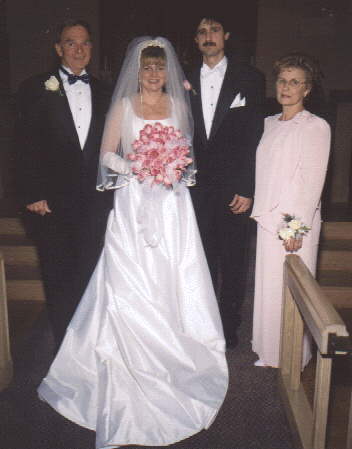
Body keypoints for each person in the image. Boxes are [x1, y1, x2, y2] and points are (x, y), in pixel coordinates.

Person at [37, 37, 228, 448]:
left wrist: (172, 164)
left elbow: (188, 155)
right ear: (136, 72)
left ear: (169, 73)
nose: (155, 75)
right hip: (134, 199)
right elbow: (106, 155)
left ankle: (174, 356)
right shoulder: (123, 107)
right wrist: (137, 165)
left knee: (173, 275)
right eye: (147, 68)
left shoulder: (178, 107)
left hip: (171, 205)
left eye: (160, 68)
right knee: (128, 279)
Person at [15, 19, 113, 350]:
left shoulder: (105, 91)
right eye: (71, 43)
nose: (79, 49)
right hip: (51, 205)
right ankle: (63, 353)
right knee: (58, 281)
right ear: (58, 48)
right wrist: (33, 193)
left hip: (94, 205)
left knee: (89, 279)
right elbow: (22, 145)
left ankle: (87, 350)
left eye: (85, 43)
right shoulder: (34, 87)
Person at [188, 14, 265, 348]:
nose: (209, 36)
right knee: (200, 258)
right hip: (193, 188)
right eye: (202, 31)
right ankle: (202, 324)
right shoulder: (183, 78)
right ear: (195, 40)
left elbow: (254, 136)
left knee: (234, 258)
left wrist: (248, 188)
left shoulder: (250, 78)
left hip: (235, 187)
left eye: (214, 30)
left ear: (226, 35)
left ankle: (229, 323)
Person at [251, 53, 331, 368]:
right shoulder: (268, 123)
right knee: (269, 289)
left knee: (291, 290)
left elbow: (312, 181)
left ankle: (293, 356)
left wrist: (295, 227)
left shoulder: (315, 126)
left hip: (293, 221)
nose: (286, 87)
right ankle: (269, 352)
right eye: (282, 80)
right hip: (268, 218)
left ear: (307, 89)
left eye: (295, 82)